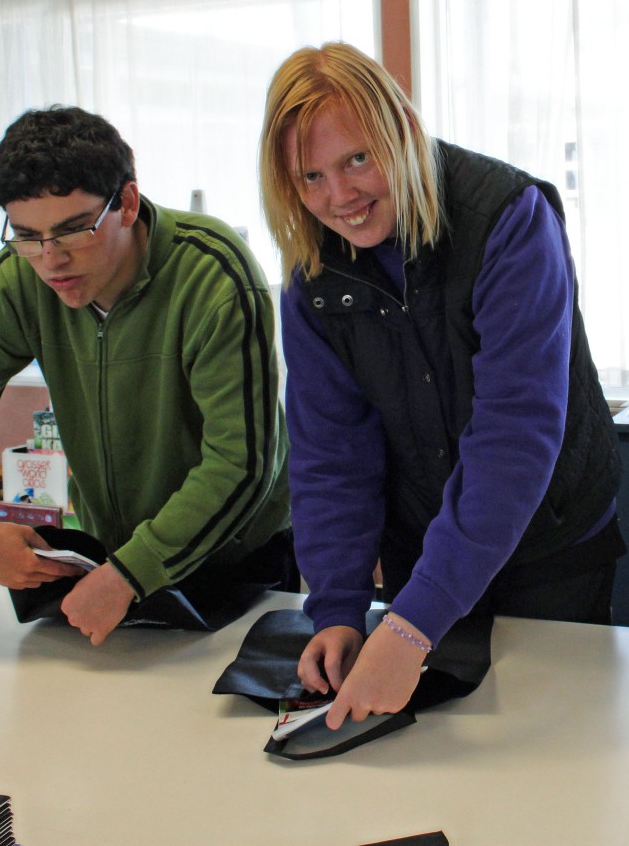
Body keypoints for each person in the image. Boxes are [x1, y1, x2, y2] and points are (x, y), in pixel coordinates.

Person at [258, 41, 624, 730]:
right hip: (422, 548)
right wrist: (336, 608)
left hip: (547, 548)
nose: (340, 197)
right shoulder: (312, 276)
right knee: (432, 760)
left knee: (548, 753)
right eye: (310, 177)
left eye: (356, 159)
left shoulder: (507, 218)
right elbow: (329, 455)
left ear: (403, 127)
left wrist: (409, 627)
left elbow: (512, 438)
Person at [0, 106, 296, 645]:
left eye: (73, 230)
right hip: (111, 559)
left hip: (235, 559)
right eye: (27, 235)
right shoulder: (20, 278)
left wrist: (134, 572)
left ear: (128, 204)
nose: (50, 261)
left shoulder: (213, 273)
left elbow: (241, 463)